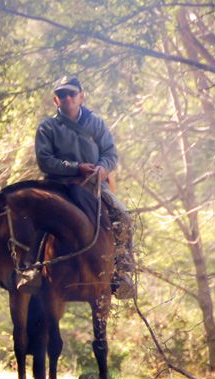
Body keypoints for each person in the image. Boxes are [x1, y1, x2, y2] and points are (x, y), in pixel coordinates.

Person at [34, 76, 135, 299]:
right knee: (35, 220)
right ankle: (31, 272)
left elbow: (110, 153)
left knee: (122, 216)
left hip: (93, 185)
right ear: (55, 100)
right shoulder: (47, 127)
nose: (67, 98)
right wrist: (76, 167)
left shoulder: (96, 123)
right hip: (58, 185)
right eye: (62, 95)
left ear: (82, 96)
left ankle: (122, 270)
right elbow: (45, 160)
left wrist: (101, 169)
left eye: (71, 94)